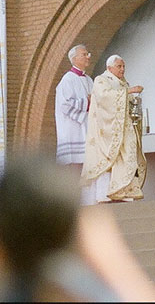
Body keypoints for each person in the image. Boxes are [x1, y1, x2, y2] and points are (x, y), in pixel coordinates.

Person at [81, 55, 146, 204]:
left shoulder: (122, 83)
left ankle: (124, 191)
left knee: (127, 158)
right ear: (109, 68)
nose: (122, 69)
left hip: (124, 129)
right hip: (107, 131)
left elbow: (127, 103)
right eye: (119, 66)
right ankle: (104, 193)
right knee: (108, 160)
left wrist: (133, 101)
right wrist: (129, 92)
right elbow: (104, 98)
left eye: (123, 66)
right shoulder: (101, 80)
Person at [55, 44, 95, 205]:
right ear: (75, 58)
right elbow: (65, 104)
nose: (88, 57)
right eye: (84, 54)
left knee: (87, 166)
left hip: (86, 127)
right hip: (73, 130)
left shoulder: (89, 79)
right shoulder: (67, 80)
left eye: (87, 54)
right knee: (75, 166)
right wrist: (87, 102)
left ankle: (87, 200)